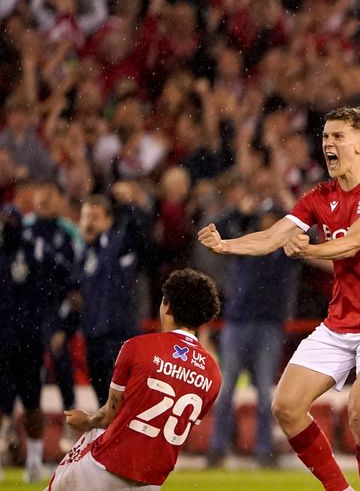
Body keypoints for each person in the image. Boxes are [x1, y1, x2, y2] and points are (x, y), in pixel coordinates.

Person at [198, 107, 360, 491]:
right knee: (286, 407)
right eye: (326, 137)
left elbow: (351, 245)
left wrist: (307, 250)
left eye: (339, 137)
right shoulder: (319, 197)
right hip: (339, 323)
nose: (328, 143)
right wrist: (225, 244)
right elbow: (273, 236)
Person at [46, 268, 223, 490]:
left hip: (106, 468)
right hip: (150, 481)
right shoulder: (213, 373)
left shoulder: (137, 347)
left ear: (166, 306)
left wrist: (86, 421)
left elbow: (109, 415)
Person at [206, 202, 300, 468]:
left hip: (266, 326)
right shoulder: (249, 244)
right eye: (265, 218)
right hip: (238, 324)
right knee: (226, 391)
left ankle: (263, 451)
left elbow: (310, 239)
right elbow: (219, 233)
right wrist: (240, 211)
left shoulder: (285, 250)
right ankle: (217, 449)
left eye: (274, 218)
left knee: (263, 394)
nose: (268, 223)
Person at [0, 182, 77, 483]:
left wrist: (57, 326)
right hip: (3, 340)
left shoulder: (35, 253)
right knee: (3, 403)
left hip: (28, 340)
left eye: (10, 223)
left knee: (32, 403)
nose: (7, 228)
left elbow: (57, 288)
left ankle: (33, 460)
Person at [77, 195, 145, 407]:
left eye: (95, 217)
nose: (89, 223)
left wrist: (126, 204)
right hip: (93, 335)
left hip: (118, 335)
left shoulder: (119, 245)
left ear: (108, 221)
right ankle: (108, 438)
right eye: (86, 217)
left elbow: (138, 229)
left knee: (120, 399)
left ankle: (121, 439)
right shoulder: (84, 253)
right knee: (101, 398)